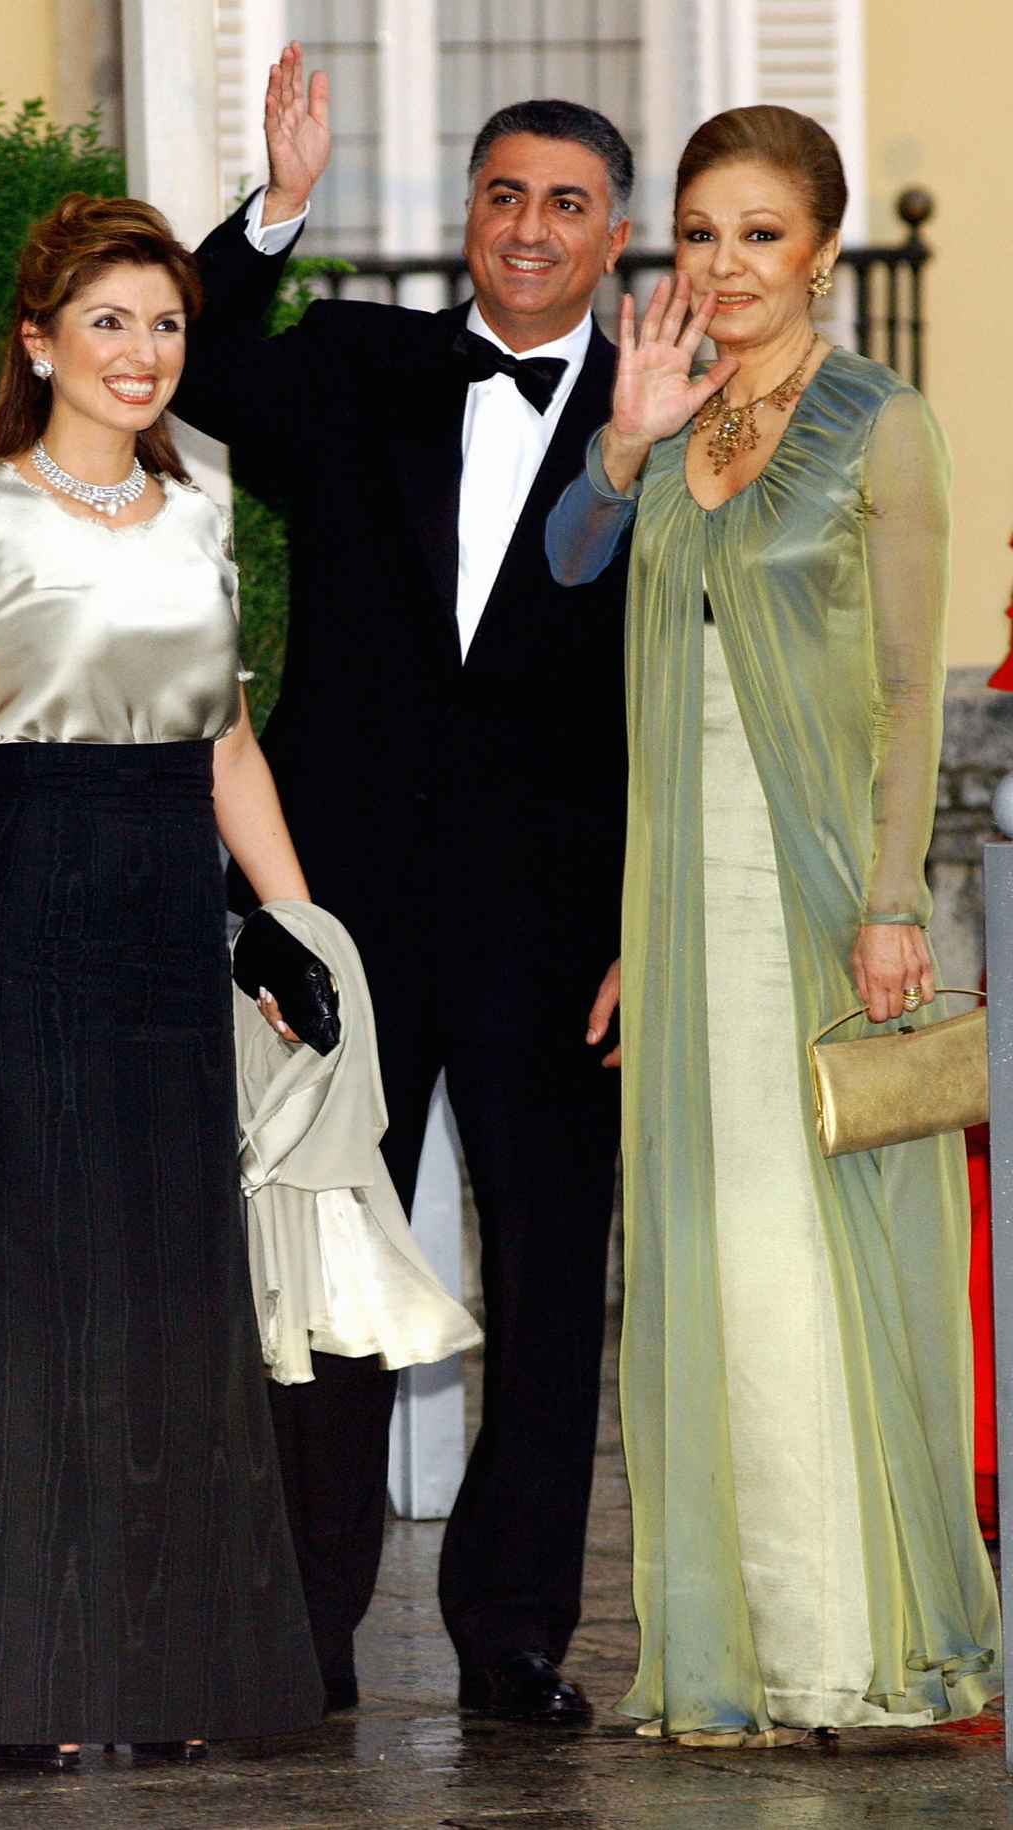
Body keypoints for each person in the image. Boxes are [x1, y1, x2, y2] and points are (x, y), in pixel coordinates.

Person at [170, 47, 633, 1720]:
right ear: (465, 215)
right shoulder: (360, 364)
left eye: (564, 203)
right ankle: (305, 1625)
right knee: (327, 1251)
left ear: (615, 236)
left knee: (551, 1266)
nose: (527, 227)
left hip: (561, 921)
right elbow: (191, 362)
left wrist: (644, 923)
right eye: (503, 194)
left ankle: (514, 1630)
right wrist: (275, 210)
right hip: (343, 894)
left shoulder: (674, 418)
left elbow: (699, 691)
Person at [0, 191, 326, 1776]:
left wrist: (301, 930)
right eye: (109, 321)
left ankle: (172, 1672)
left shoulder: (198, 515)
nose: (144, 352)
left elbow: (227, 741)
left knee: (180, 1292)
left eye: (168, 322)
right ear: (39, 341)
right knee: (24, 1296)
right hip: (27, 901)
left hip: (170, 917)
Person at [547, 104, 1001, 1744]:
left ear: (822, 246)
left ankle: (849, 1646)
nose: (725, 265)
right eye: (699, 231)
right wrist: (621, 440)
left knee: (814, 1261)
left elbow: (903, 691)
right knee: (704, 1268)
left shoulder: (884, 424)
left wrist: (893, 902)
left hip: (824, 893)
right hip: (682, 909)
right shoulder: (666, 416)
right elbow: (573, 572)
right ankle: (733, 1651)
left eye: (759, 233)